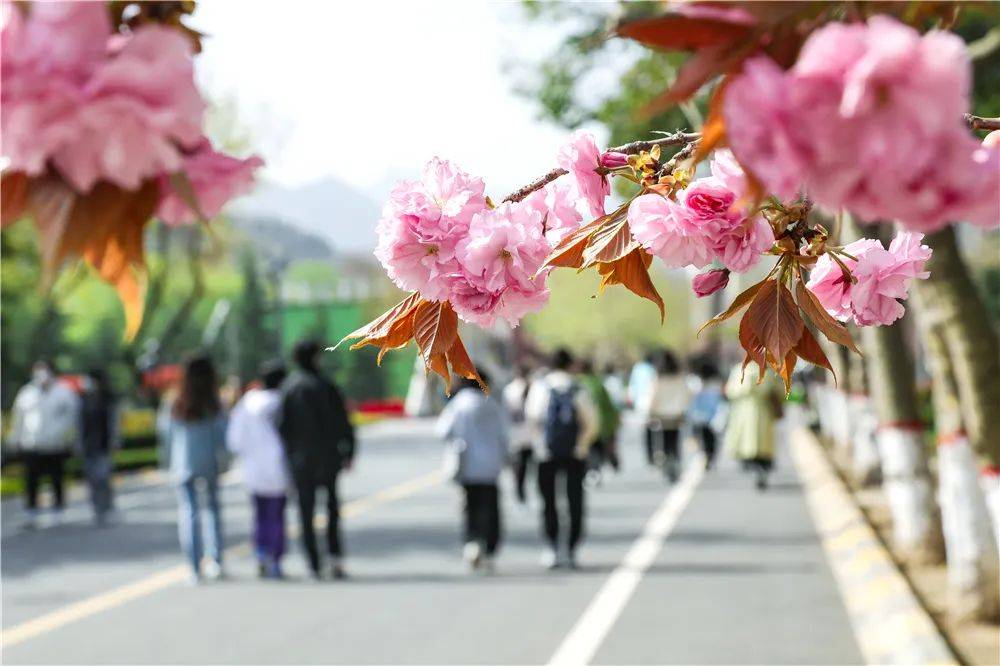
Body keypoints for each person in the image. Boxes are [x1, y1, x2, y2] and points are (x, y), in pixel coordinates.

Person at [277, 339, 356, 580]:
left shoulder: (289, 388)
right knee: (331, 507)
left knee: (305, 510)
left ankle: (313, 562)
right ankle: (334, 558)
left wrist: (289, 453)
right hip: (328, 456)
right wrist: (349, 451)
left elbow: (282, 427)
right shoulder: (326, 385)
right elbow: (343, 422)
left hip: (301, 459)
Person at [525, 348, 598, 569]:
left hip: (546, 454)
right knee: (575, 501)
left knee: (548, 502)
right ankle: (572, 548)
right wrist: (581, 446)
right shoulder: (578, 388)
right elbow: (592, 423)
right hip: (574, 454)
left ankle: (552, 547)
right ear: (571, 365)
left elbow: (532, 418)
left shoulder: (541, 387)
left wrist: (540, 445)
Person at [158, 354, 228, 583]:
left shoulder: (175, 401)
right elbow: (223, 434)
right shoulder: (214, 402)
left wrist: (166, 461)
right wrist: (225, 459)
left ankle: (194, 567)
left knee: (189, 512)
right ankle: (215, 561)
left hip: (182, 463)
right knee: (212, 511)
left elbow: (166, 434)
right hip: (209, 462)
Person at [437, 373, 508, 572]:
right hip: (491, 466)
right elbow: (504, 435)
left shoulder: (459, 404)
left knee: (470, 507)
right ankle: (489, 549)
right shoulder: (492, 404)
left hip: (468, 465)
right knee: (491, 509)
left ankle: (472, 542)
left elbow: (442, 431)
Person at [227, 361, 289, 579]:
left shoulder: (247, 402)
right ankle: (276, 558)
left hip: (253, 469)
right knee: (277, 516)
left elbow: (234, 440)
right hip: (279, 469)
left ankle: (261, 553)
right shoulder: (282, 402)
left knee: (260, 515)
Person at [10, 360, 79, 528]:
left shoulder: (64, 392)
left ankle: (58, 512)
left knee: (56, 478)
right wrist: (14, 440)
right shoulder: (26, 393)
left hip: (56, 445)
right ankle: (31, 513)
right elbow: (18, 419)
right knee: (31, 480)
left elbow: (72, 418)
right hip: (32, 444)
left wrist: (69, 439)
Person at [724, 364, 782, 491]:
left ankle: (754, 466)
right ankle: (762, 468)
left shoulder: (740, 369)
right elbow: (780, 392)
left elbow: (731, 391)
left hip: (743, 412)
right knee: (763, 443)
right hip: (764, 412)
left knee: (748, 441)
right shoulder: (768, 371)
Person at [637, 350, 691, 482]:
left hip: (662, 415)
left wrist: (650, 412)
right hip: (677, 414)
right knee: (674, 439)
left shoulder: (658, 378)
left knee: (665, 441)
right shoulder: (680, 378)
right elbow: (686, 395)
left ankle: (668, 464)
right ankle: (675, 461)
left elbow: (652, 397)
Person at [78, 368, 119, 525]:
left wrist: (115, 441)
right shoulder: (83, 400)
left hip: (103, 445)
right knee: (92, 480)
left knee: (103, 478)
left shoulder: (108, 400)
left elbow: (113, 423)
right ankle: (96, 509)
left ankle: (106, 507)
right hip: (88, 446)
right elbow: (80, 424)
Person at [578, 360, 621, 481]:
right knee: (598, 446)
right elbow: (609, 405)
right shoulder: (598, 383)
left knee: (591, 448)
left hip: (585, 423)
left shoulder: (578, 384)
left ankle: (593, 470)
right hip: (601, 422)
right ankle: (597, 469)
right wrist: (614, 422)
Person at [501, 365, 533, 504]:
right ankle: (526, 494)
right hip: (532, 435)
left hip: (516, 435)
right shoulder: (535, 388)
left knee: (519, 468)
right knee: (529, 467)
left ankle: (520, 494)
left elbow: (505, 414)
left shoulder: (509, 390)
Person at [687, 360, 726, 470]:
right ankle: (710, 457)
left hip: (697, 417)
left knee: (700, 437)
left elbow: (690, 400)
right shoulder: (716, 383)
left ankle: (704, 455)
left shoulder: (695, 382)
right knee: (711, 439)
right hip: (713, 417)